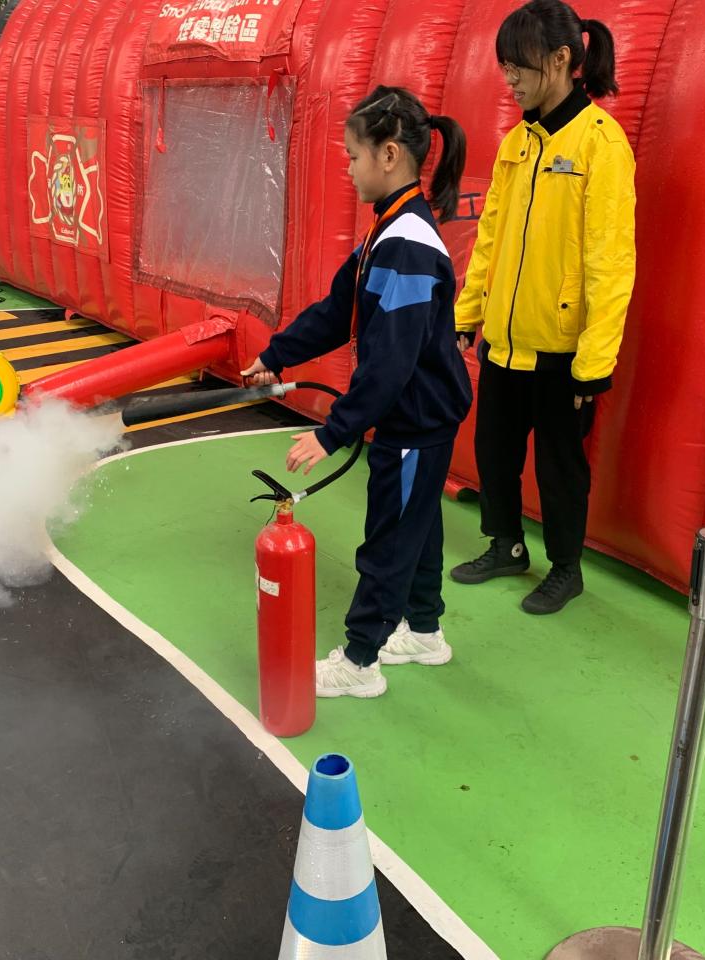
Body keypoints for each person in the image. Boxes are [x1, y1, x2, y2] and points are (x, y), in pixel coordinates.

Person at [241, 86, 471, 699]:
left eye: (352, 156)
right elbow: (337, 309)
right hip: (422, 416)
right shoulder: (388, 230)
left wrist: (332, 431)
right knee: (417, 525)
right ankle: (424, 631)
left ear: (389, 155)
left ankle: (361, 661)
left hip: (415, 419)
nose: (348, 169)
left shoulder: (407, 245)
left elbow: (391, 363)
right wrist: (275, 355)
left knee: (390, 538)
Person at [450, 0, 636, 616]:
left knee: (559, 470)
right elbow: (490, 239)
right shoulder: (517, 143)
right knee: (494, 455)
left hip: (562, 353)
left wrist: (594, 363)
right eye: (504, 66)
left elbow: (611, 262)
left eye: (518, 66)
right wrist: (467, 315)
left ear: (560, 60)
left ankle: (565, 569)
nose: (509, 79)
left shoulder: (601, 144)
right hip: (504, 344)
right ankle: (505, 546)